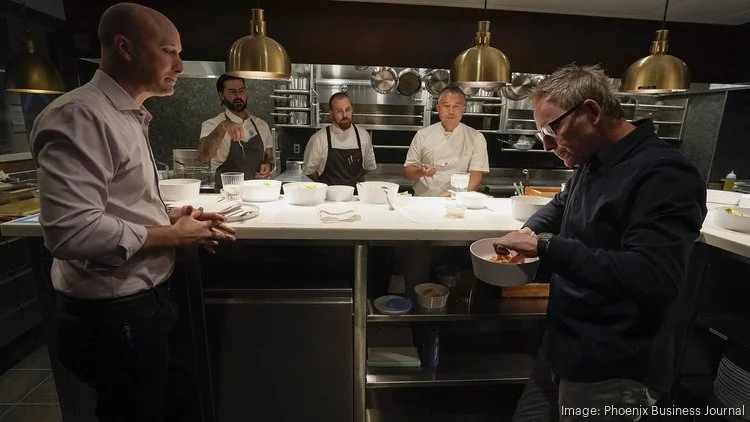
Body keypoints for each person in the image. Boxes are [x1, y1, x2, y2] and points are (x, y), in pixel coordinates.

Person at [28, 3, 236, 421]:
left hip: (147, 304)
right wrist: (174, 236)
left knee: (175, 402)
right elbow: (71, 233)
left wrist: (170, 216)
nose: (179, 66)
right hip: (112, 313)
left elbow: (117, 203)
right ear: (124, 47)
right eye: (168, 51)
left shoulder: (126, 115)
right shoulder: (80, 116)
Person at [492, 65, 707, 421]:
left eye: (552, 130)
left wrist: (546, 246)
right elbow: (561, 205)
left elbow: (654, 276)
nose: (546, 145)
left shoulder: (664, 174)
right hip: (563, 348)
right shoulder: (592, 161)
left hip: (612, 366)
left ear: (591, 112)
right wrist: (529, 232)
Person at [403, 84, 489, 196]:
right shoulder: (422, 135)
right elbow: (408, 173)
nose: (451, 111)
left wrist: (454, 195)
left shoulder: (476, 138)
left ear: (464, 108)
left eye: (456, 106)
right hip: (423, 199)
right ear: (438, 107)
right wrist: (421, 171)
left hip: (457, 200)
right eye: (446, 106)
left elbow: (475, 178)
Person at [197, 74, 274, 189]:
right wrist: (223, 126)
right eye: (232, 92)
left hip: (257, 192)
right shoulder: (212, 124)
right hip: (225, 194)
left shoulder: (262, 125)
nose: (238, 95)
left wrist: (268, 166)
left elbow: (270, 159)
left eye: (241, 90)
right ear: (221, 96)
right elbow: (203, 157)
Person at [303, 92, 376, 187]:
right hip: (328, 195)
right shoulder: (319, 139)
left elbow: (368, 167)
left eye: (348, 110)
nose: (345, 115)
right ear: (331, 113)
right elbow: (310, 172)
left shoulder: (363, 136)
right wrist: (325, 185)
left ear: (352, 109)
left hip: (356, 195)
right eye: (339, 111)